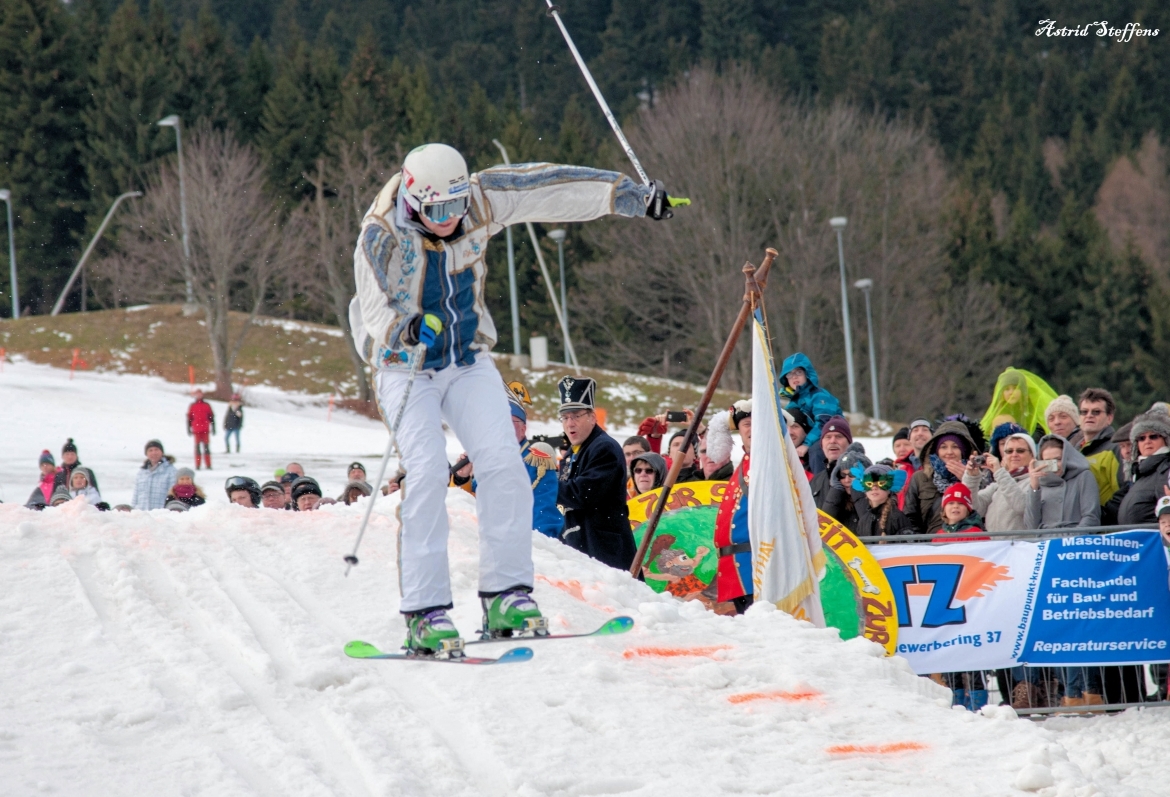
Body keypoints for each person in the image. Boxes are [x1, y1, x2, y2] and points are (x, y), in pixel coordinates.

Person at [351, 143, 677, 653]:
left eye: (456, 208)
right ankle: (425, 609)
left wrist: (627, 196)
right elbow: (372, 306)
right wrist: (404, 325)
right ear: (413, 202)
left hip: (466, 359)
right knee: (430, 470)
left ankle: (506, 595)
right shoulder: (381, 234)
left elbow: (548, 188)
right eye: (436, 212)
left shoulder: (477, 200)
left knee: (504, 462)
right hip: (405, 364)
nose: (449, 220)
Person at [557, 376, 636, 569]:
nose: (570, 424)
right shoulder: (571, 453)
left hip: (604, 552)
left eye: (576, 416)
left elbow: (582, 494)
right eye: (565, 418)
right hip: (580, 548)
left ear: (592, 417)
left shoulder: (604, 448)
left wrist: (545, 482)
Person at [712, 401, 753, 614]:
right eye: (746, 423)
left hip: (753, 566)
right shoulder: (745, 462)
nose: (752, 429)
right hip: (736, 566)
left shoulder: (769, 464)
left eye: (757, 423)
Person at [903, 421, 980, 535]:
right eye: (943, 447)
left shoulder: (979, 477)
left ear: (964, 451)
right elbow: (910, 517)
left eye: (955, 447)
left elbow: (982, 512)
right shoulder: (919, 478)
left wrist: (969, 480)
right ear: (936, 451)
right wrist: (919, 542)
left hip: (967, 544)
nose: (949, 452)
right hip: (931, 547)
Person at [778, 353, 843, 466]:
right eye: (789, 374)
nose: (794, 376)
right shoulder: (794, 401)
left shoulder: (820, 396)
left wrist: (806, 444)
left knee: (816, 452)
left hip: (833, 436)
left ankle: (819, 482)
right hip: (812, 438)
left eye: (798, 372)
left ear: (807, 374)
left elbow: (824, 422)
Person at [1023, 436, 1101, 529]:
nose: (1054, 465)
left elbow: (1091, 517)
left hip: (1073, 539)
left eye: (1058, 459)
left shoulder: (1083, 477)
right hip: (1046, 540)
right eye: (1048, 461)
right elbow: (1031, 526)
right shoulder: (1039, 483)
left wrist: (1071, 539)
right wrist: (1034, 488)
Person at [962, 432, 1035, 532]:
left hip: (1020, 545)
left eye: (1020, 451)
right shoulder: (997, 485)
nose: (1014, 455)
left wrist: (999, 472)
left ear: (1032, 455)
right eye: (1009, 451)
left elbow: (1022, 507)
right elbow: (974, 508)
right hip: (995, 546)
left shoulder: (1036, 481)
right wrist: (971, 477)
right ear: (1004, 456)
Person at [1069, 388, 1125, 508]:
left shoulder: (1116, 449)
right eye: (1084, 412)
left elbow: (1123, 492)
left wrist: (1101, 516)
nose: (1089, 416)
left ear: (1109, 418)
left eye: (1096, 412)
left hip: (1103, 524)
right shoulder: (1072, 450)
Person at [1111, 411, 1170, 525]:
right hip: (1136, 540)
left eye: (1153, 436)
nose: (1147, 441)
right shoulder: (1138, 473)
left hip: (1157, 540)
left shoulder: (1167, 469)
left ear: (1166, 439)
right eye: (1141, 438)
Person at [979, 367, 1058, 441]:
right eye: (1007, 389)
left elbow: (1040, 431)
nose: (1011, 393)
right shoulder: (998, 413)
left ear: (1022, 390)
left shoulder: (1032, 410)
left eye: (1015, 388)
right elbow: (986, 438)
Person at [850, 464, 913, 538]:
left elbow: (908, 547)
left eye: (881, 483)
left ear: (890, 488)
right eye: (869, 484)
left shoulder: (897, 518)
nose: (874, 488)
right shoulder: (864, 520)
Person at [810, 416, 853, 512]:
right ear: (822, 444)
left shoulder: (860, 476)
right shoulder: (815, 481)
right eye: (828, 437)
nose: (832, 441)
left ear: (849, 443)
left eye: (839, 436)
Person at [132, 440, 178, 511]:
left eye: (156, 450)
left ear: (162, 452)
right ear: (146, 454)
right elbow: (136, 495)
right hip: (142, 513)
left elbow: (173, 495)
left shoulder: (171, 471)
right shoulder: (142, 472)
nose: (154, 453)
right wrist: (133, 510)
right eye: (150, 450)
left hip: (161, 514)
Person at [187, 389, 216, 470]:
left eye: (200, 394)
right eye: (197, 394)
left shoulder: (207, 405)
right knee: (197, 448)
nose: (199, 396)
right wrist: (188, 428)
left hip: (205, 429)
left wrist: (214, 427)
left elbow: (211, 416)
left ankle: (208, 464)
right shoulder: (193, 406)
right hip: (196, 430)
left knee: (206, 448)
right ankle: (198, 465)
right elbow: (189, 418)